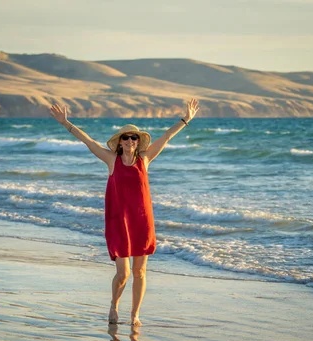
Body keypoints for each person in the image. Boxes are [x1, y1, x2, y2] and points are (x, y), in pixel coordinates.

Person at [49, 99, 200, 327]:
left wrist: (185, 120)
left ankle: (135, 315)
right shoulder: (111, 160)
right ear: (119, 142)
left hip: (142, 221)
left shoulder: (145, 159)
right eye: (126, 137)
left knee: (140, 272)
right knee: (124, 274)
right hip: (119, 223)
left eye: (134, 137)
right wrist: (65, 123)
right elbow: (88, 141)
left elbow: (167, 136)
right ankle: (114, 304)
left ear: (138, 142)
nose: (130, 140)